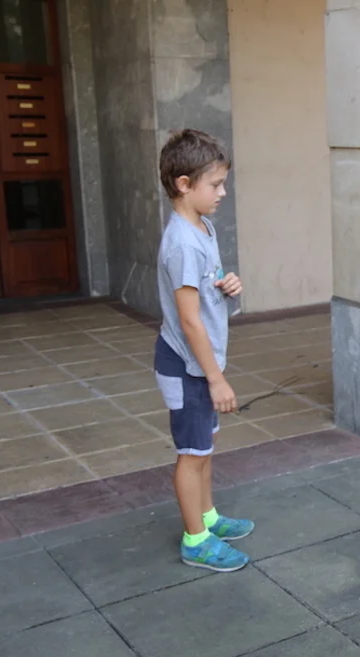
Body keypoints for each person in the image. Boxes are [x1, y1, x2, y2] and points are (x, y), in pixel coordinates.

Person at [154, 129, 253, 572]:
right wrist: (216, 378)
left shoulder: (203, 228)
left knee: (204, 446)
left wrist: (226, 285)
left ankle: (208, 518)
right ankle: (195, 540)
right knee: (191, 454)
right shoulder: (181, 243)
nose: (222, 192)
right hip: (187, 366)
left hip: (200, 364)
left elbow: (204, 288)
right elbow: (189, 320)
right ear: (184, 184)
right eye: (215, 184)